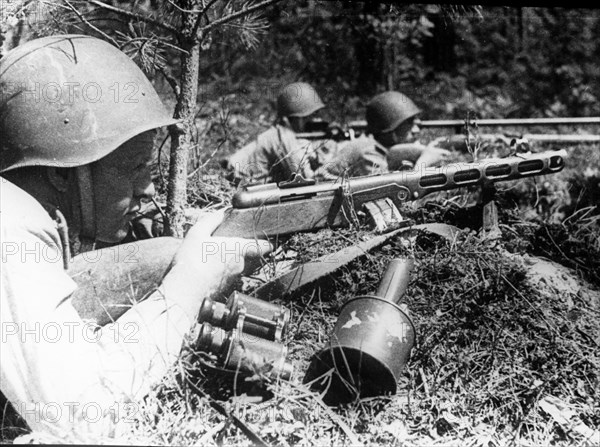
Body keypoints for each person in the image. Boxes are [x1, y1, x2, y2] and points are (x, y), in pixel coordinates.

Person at [0, 34, 269, 441]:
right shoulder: (11, 224)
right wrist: (192, 283)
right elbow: (80, 415)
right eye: (135, 168)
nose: (148, 188)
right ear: (62, 174)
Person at [318, 91, 451, 179]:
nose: (416, 130)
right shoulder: (368, 152)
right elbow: (390, 198)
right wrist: (424, 163)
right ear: (391, 127)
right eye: (409, 123)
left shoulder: (371, 145)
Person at [224, 81, 338, 184]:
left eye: (315, 114)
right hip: (239, 182)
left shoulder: (283, 133)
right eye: (308, 117)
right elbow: (304, 181)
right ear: (291, 118)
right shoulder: (284, 137)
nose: (315, 120)